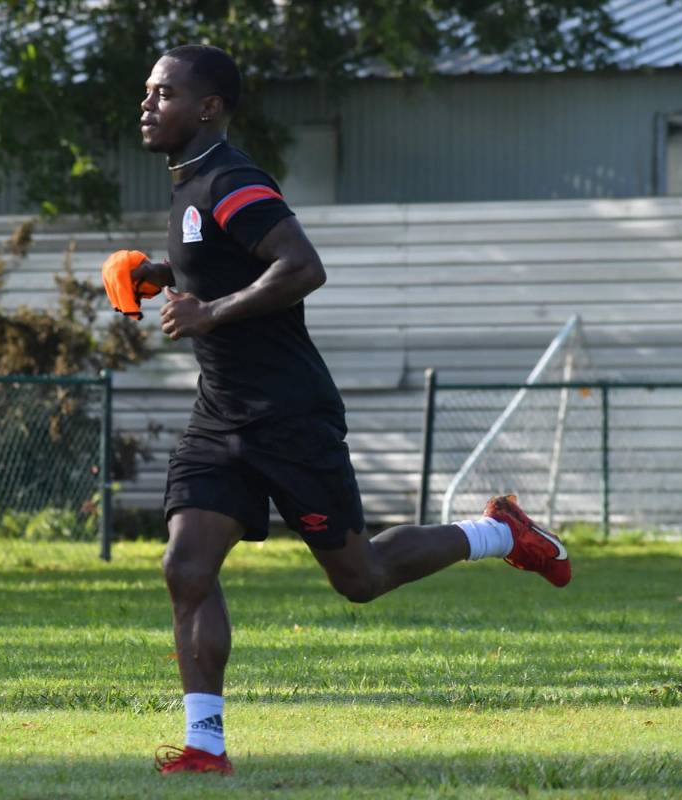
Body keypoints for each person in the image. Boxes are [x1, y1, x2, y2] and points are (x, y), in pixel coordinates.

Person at [120, 44, 571, 777]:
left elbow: (302, 266)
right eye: (147, 91)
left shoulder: (233, 180)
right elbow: (225, 259)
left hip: (291, 415)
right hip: (222, 418)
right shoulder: (188, 186)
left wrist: (210, 312)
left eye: (163, 92)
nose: (147, 104)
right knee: (186, 563)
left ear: (208, 107)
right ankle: (206, 746)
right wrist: (161, 274)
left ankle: (496, 531)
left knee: (360, 578)